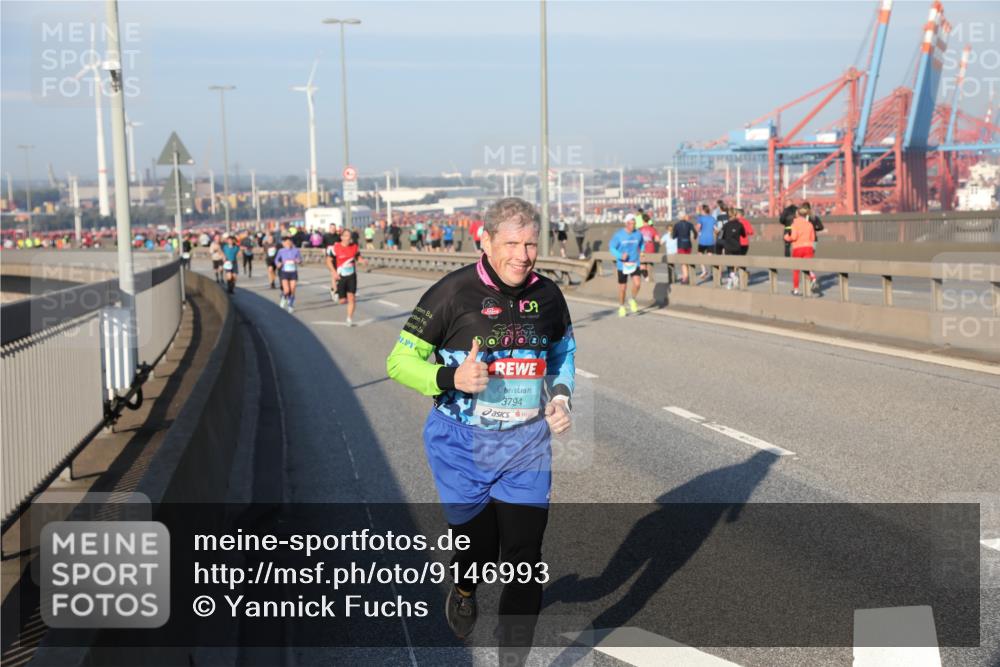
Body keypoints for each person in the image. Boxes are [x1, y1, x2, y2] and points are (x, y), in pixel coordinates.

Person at [386, 197, 575, 664]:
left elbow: (562, 354)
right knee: (480, 551)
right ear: (485, 240)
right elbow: (397, 361)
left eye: (531, 244)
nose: (522, 255)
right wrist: (451, 378)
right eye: (511, 243)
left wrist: (560, 396)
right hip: (460, 445)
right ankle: (466, 584)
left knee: (525, 557)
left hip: (526, 444)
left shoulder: (548, 295)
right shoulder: (452, 293)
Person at [609, 213, 644, 317]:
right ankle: (621, 306)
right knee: (623, 288)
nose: (634, 225)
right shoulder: (619, 235)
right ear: (627, 224)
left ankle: (632, 299)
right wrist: (620, 255)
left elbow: (642, 243)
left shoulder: (638, 234)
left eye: (634, 223)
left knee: (637, 284)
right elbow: (611, 248)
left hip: (634, 262)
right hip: (622, 265)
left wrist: (642, 251)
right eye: (632, 223)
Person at [332, 228, 368, 325]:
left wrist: (362, 261)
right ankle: (334, 291)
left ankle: (349, 319)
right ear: (342, 237)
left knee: (351, 297)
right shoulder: (336, 247)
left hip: (352, 275)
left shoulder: (354, 247)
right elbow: (329, 260)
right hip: (341, 276)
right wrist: (333, 272)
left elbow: (358, 257)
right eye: (346, 235)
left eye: (349, 236)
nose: (348, 238)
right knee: (342, 300)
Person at [784, 206, 818, 296]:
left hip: (798, 248)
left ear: (797, 214)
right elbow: (813, 238)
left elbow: (794, 237)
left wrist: (787, 237)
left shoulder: (794, 224)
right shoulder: (809, 224)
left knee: (796, 270)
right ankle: (813, 277)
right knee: (807, 266)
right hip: (808, 247)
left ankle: (796, 290)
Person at [274, 236, 303, 312]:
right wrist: (278, 264)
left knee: (292, 289)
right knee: (286, 290)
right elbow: (276, 260)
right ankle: (284, 297)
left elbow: (300, 260)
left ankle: (290, 305)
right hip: (284, 272)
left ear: (291, 243)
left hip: (293, 272)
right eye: (286, 242)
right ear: (284, 243)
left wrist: (298, 261)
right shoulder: (281, 251)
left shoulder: (296, 250)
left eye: (289, 242)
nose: (288, 244)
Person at [719, 213, 747, 289]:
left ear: (728, 217)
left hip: (728, 247)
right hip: (737, 247)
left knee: (729, 265)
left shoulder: (725, 225)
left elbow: (720, 236)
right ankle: (730, 282)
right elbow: (744, 235)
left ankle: (733, 278)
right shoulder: (740, 224)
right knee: (735, 264)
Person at [671, 213, 696, 284]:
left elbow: (674, 236)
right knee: (687, 261)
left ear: (679, 217)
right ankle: (686, 276)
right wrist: (694, 238)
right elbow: (695, 233)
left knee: (683, 262)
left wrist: (675, 235)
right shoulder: (689, 224)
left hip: (681, 245)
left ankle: (685, 278)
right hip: (688, 244)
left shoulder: (676, 225)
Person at [695, 204, 716, 280]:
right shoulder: (712, 219)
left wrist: (697, 231)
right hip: (711, 240)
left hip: (703, 240)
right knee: (710, 257)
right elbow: (715, 229)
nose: (700, 211)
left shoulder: (700, 218)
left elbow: (698, 228)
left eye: (701, 210)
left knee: (700, 255)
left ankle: (704, 271)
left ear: (703, 211)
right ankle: (713, 273)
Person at [324, 224, 343, 302]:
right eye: (331, 228)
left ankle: (333, 289)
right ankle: (336, 292)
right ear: (329, 228)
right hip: (330, 259)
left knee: (339, 275)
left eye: (334, 228)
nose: (333, 229)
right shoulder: (326, 236)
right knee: (333, 274)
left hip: (338, 258)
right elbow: (323, 245)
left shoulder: (338, 237)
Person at [638, 217, 659, 282]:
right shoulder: (652, 229)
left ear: (643, 221)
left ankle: (647, 279)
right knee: (649, 266)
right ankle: (650, 280)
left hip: (642, 249)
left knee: (642, 266)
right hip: (650, 247)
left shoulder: (639, 229)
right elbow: (657, 239)